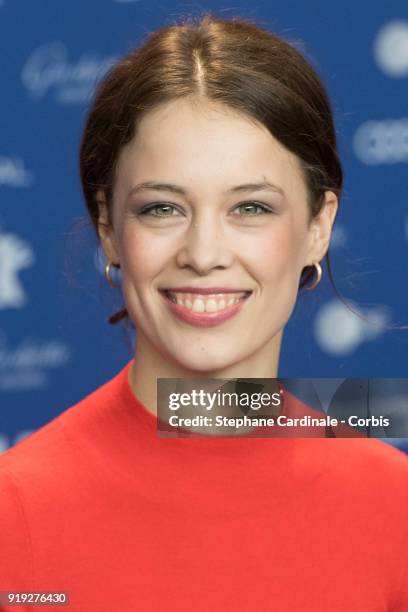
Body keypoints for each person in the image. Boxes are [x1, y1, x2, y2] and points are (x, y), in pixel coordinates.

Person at [0, 13, 407, 611]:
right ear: (109, 227)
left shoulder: (394, 508)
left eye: (251, 207)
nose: (204, 255)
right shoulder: (13, 508)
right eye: (163, 208)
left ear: (319, 227)